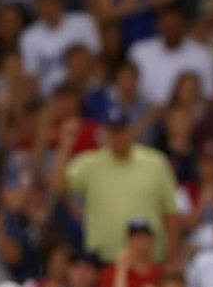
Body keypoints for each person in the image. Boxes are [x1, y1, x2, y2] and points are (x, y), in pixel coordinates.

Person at [51, 107, 180, 265]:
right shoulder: (90, 165)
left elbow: (171, 214)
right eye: (112, 131)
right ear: (105, 133)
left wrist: (173, 260)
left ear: (130, 130)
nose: (117, 137)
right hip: (103, 261)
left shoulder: (156, 163)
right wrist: (65, 145)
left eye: (121, 130)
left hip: (149, 262)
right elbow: (58, 188)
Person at [19, 0, 101, 98]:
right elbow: (32, 78)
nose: (47, 7)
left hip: (86, 92)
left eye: (51, 2)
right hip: (50, 99)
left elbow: (97, 63)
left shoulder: (84, 23)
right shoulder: (28, 37)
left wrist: (94, 93)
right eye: (43, 3)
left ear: (60, 2)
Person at [100, 220, 164, 287]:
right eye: (136, 238)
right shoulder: (112, 271)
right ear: (128, 241)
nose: (141, 243)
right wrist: (121, 271)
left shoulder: (162, 271)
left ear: (152, 241)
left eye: (144, 238)